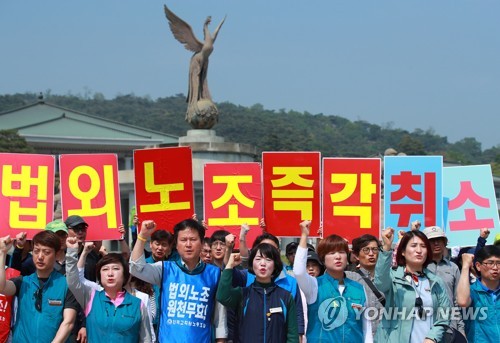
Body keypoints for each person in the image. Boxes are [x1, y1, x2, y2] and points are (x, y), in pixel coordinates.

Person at [130, 218, 227, 343]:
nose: (188, 244)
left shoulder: (215, 274)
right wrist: (142, 236)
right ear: (176, 244)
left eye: (193, 239)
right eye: (183, 240)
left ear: (202, 243)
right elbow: (135, 269)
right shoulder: (165, 269)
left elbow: (220, 318)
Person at [293, 220, 372, 343]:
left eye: (341, 252)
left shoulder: (359, 289)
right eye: (331, 253)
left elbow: (366, 329)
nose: (338, 257)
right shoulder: (314, 286)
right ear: (323, 259)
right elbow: (298, 271)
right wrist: (304, 236)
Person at [66, 237, 152, 342]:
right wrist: (71, 252)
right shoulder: (90, 297)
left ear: (125, 275)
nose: (110, 274)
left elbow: (146, 339)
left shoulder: (138, 304)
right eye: (105, 269)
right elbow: (72, 281)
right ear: (99, 275)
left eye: (116, 269)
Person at [0, 230, 79, 342]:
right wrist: (2, 253)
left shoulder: (67, 285)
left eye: (46, 252)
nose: (40, 257)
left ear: (56, 254)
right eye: (36, 251)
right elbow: (2, 287)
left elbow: (68, 322)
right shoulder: (23, 282)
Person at [375, 228, 451, 343]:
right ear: (403, 252)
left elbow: (444, 316)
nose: (419, 250)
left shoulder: (435, 281)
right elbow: (380, 282)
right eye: (414, 245)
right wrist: (386, 248)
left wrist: (432, 337)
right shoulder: (393, 276)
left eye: (423, 246)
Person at [217, 245, 299, 343]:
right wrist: (229, 265)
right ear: (252, 263)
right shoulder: (243, 294)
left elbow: (292, 336)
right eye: (258, 259)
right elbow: (222, 296)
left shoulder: (285, 297)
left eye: (268, 259)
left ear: (275, 265)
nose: (263, 263)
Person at [164, 5, 225, 128]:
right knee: (196, 80)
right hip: (197, 61)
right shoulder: (202, 42)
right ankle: (195, 101)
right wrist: (205, 24)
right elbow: (205, 29)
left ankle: (203, 96)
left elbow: (217, 30)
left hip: (205, 60)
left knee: (203, 80)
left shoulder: (211, 40)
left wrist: (222, 21)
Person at [422, 225, 465, 338]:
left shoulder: (453, 268)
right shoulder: (418, 266)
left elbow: (457, 301)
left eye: (439, 240)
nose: (436, 243)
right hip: (424, 327)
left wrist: (460, 329)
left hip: (449, 328)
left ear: (445, 243)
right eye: (431, 241)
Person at [457, 246, 500, 343]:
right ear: (478, 266)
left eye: (499, 263)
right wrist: (465, 267)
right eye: (490, 263)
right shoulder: (472, 291)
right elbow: (462, 301)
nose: (495, 268)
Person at [345, 234, 384, 337]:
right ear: (356, 255)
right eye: (366, 250)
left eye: (375, 249)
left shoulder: (388, 279)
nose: (371, 254)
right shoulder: (349, 278)